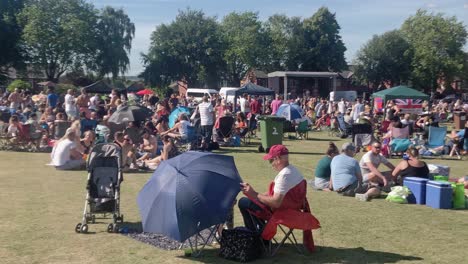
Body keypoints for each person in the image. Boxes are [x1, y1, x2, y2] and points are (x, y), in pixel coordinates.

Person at [238, 145, 305, 232]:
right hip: (293, 209)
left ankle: (257, 235)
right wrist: (254, 195)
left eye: (270, 160)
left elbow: (276, 203)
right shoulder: (293, 170)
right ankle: (260, 233)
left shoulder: (284, 175)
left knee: (243, 202)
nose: (271, 164)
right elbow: (276, 194)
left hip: (282, 212)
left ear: (277, 159)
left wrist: (254, 194)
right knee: (250, 201)